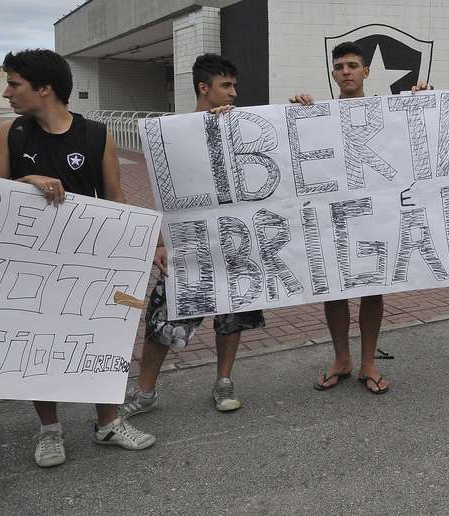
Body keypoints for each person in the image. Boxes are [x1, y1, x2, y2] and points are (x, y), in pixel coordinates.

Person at [0, 49, 155, 467]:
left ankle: (108, 423)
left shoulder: (96, 134)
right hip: (28, 265)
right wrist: (27, 180)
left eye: (14, 84)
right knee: (36, 341)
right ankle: (49, 430)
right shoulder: (12, 134)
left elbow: (116, 200)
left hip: (88, 263)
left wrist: (143, 249)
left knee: (103, 337)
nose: (7, 92)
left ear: (45, 88)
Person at [121, 54, 265, 418]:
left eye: (234, 85)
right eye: (226, 86)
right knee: (162, 319)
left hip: (234, 239)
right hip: (189, 242)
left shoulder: (240, 125)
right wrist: (159, 241)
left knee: (231, 315)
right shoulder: (173, 130)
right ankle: (146, 391)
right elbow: (161, 189)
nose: (234, 93)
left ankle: (223, 381)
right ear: (204, 88)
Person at [288, 42, 389, 395]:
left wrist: (422, 96)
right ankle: (342, 359)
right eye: (340, 66)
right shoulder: (317, 113)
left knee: (373, 290)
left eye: (353, 65)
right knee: (334, 290)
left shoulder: (384, 110)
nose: (346, 71)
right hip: (332, 217)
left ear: (366, 72)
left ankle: (368, 363)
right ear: (333, 73)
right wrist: (296, 112)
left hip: (374, 214)